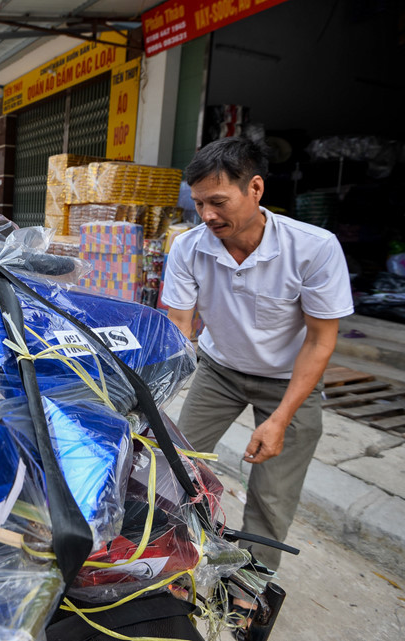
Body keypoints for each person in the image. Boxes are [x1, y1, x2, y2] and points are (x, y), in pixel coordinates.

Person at [160, 137, 353, 573]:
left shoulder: (314, 248)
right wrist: (150, 395)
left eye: (218, 201)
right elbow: (179, 328)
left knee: (272, 493)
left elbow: (321, 341)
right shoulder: (189, 247)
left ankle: (254, 581)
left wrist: (281, 418)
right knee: (175, 463)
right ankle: (170, 556)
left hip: (289, 377)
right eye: (198, 203)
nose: (207, 215)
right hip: (219, 370)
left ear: (256, 189)